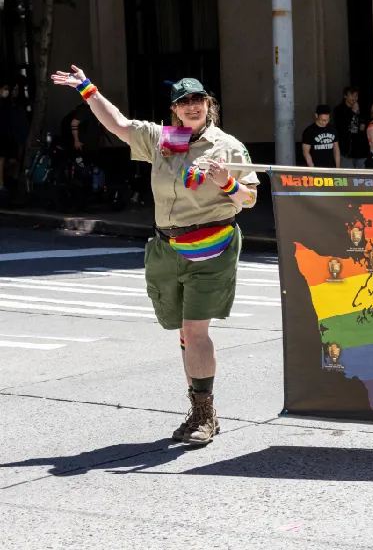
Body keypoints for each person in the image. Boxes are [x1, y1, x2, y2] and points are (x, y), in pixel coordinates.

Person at [52, 66, 260, 446]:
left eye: (198, 100)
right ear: (175, 110)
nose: (192, 107)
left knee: (196, 330)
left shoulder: (227, 146)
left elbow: (248, 199)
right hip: (167, 247)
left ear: (209, 105)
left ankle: (204, 414)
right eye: (184, 102)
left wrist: (226, 182)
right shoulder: (165, 140)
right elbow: (117, 125)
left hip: (212, 246)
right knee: (182, 331)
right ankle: (199, 405)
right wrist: (87, 89)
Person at [332, 86, 368, 169]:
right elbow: (341, 126)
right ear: (345, 96)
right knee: (348, 177)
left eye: (356, 95)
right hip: (346, 150)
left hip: (360, 150)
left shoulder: (361, 109)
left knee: (361, 178)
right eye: (352, 95)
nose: (354, 98)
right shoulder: (339, 110)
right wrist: (352, 112)